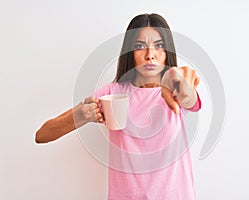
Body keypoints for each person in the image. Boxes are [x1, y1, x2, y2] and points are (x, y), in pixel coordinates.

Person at [36, 13, 201, 200]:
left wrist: (183, 84)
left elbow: (189, 98)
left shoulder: (176, 89)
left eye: (159, 45)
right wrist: (81, 115)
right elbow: (42, 135)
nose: (150, 55)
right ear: (129, 52)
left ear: (168, 51)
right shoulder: (112, 94)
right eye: (140, 46)